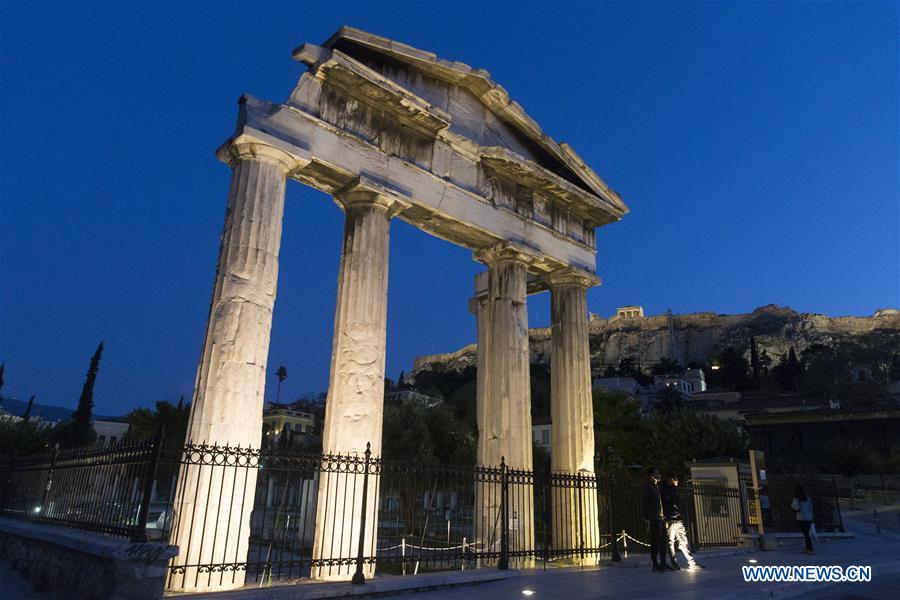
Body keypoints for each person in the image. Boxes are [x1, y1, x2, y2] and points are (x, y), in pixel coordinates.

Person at [660, 474, 704, 571]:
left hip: (676, 518)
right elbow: (665, 504)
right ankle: (676, 562)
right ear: (672, 480)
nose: (677, 483)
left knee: (681, 541)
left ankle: (690, 562)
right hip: (671, 518)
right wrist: (665, 518)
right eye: (676, 481)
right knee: (671, 542)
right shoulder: (665, 490)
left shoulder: (672, 489)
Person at [642, 467, 669, 572]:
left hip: (660, 517)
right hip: (654, 518)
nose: (659, 475)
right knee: (656, 541)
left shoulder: (657, 486)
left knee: (663, 542)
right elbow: (645, 502)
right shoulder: (647, 487)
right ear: (651, 476)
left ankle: (663, 563)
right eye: (656, 474)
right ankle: (655, 563)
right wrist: (647, 516)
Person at [791, 485, 815, 554]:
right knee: (807, 533)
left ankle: (809, 548)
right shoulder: (808, 498)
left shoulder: (796, 499)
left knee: (806, 534)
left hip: (801, 518)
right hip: (809, 517)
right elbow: (811, 508)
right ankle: (808, 548)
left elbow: (796, 508)